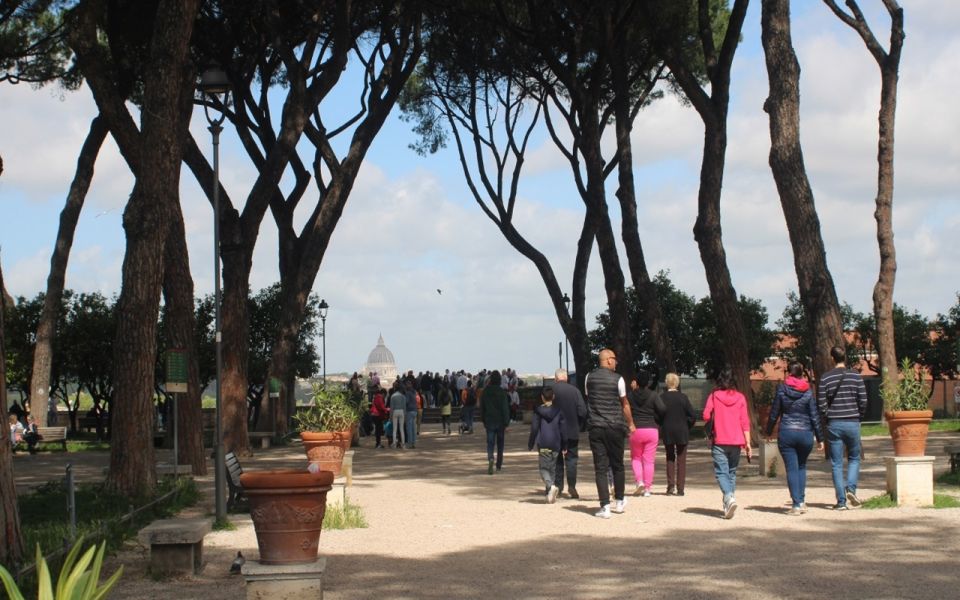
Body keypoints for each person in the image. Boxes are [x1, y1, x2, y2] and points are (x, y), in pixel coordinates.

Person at [766, 362, 823, 515]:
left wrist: (769, 431)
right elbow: (814, 415)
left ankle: (796, 504)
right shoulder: (808, 391)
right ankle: (802, 501)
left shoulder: (782, 389)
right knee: (802, 467)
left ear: (788, 373)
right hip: (805, 433)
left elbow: (774, 412)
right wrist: (820, 438)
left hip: (787, 433)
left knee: (792, 468)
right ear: (801, 373)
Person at [584, 349, 635, 518]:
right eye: (614, 359)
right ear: (607, 360)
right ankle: (620, 501)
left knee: (600, 468)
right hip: (615, 427)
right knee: (617, 465)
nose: (616, 362)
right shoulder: (618, 379)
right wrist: (631, 423)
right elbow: (624, 403)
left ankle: (604, 506)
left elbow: (589, 398)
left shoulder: (588, 378)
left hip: (596, 427)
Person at [817, 346, 868, 510]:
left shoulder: (826, 378)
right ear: (844, 357)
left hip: (835, 423)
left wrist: (827, 416)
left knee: (836, 464)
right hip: (853, 421)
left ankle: (841, 501)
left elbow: (822, 404)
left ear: (832, 358)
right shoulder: (856, 376)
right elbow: (863, 400)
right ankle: (851, 489)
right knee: (854, 458)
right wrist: (859, 415)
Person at [702, 367, 752, 520]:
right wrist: (748, 443)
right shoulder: (741, 397)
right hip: (737, 441)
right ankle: (728, 503)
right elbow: (745, 421)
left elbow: (705, 415)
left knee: (721, 472)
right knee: (731, 472)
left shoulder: (714, 396)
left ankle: (729, 498)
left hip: (719, 439)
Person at [627, 370, 665, 497]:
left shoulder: (630, 396)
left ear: (636, 382)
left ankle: (639, 481)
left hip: (635, 429)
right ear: (648, 382)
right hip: (651, 429)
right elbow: (663, 409)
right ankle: (648, 488)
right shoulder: (653, 395)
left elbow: (625, 409)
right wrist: (656, 419)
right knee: (649, 460)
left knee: (636, 457)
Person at [550, 368, 587, 499]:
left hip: (554, 431)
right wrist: (580, 426)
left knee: (557, 460)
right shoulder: (575, 391)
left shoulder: (551, 391)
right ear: (566, 378)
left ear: (555, 378)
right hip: (572, 430)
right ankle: (572, 485)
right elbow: (583, 411)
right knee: (572, 460)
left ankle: (558, 487)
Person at [660, 373, 697, 496]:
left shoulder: (662, 397)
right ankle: (680, 488)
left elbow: (657, 415)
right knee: (682, 459)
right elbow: (692, 416)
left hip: (668, 430)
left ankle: (670, 486)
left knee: (670, 457)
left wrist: (661, 424)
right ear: (677, 383)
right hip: (682, 430)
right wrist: (687, 426)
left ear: (666, 383)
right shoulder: (683, 397)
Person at [528, 387, 566, 504]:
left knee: (543, 469)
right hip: (556, 443)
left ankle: (550, 486)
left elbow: (534, 428)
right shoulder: (559, 411)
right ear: (553, 397)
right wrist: (565, 445)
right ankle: (551, 493)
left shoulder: (538, 411)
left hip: (543, 442)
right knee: (552, 468)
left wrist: (531, 442)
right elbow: (563, 429)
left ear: (542, 398)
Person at [480, 370, 511, 474]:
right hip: (500, 421)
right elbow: (505, 408)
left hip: (489, 420)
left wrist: (483, 419)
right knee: (500, 444)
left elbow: (482, 408)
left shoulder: (485, 392)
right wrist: (506, 422)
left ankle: (490, 458)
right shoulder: (502, 392)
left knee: (490, 442)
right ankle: (498, 464)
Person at [389, 385, 407, 449]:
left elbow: (391, 407)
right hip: (401, 411)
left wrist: (390, 416)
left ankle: (394, 444)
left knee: (395, 429)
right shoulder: (403, 396)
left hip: (395, 411)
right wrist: (405, 416)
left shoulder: (393, 396)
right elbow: (405, 407)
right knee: (401, 429)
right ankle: (403, 444)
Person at [404, 381, 418, 448]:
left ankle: (409, 443)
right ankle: (413, 442)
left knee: (409, 428)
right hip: (415, 410)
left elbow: (406, 401)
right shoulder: (414, 392)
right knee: (413, 427)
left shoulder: (407, 393)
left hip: (409, 410)